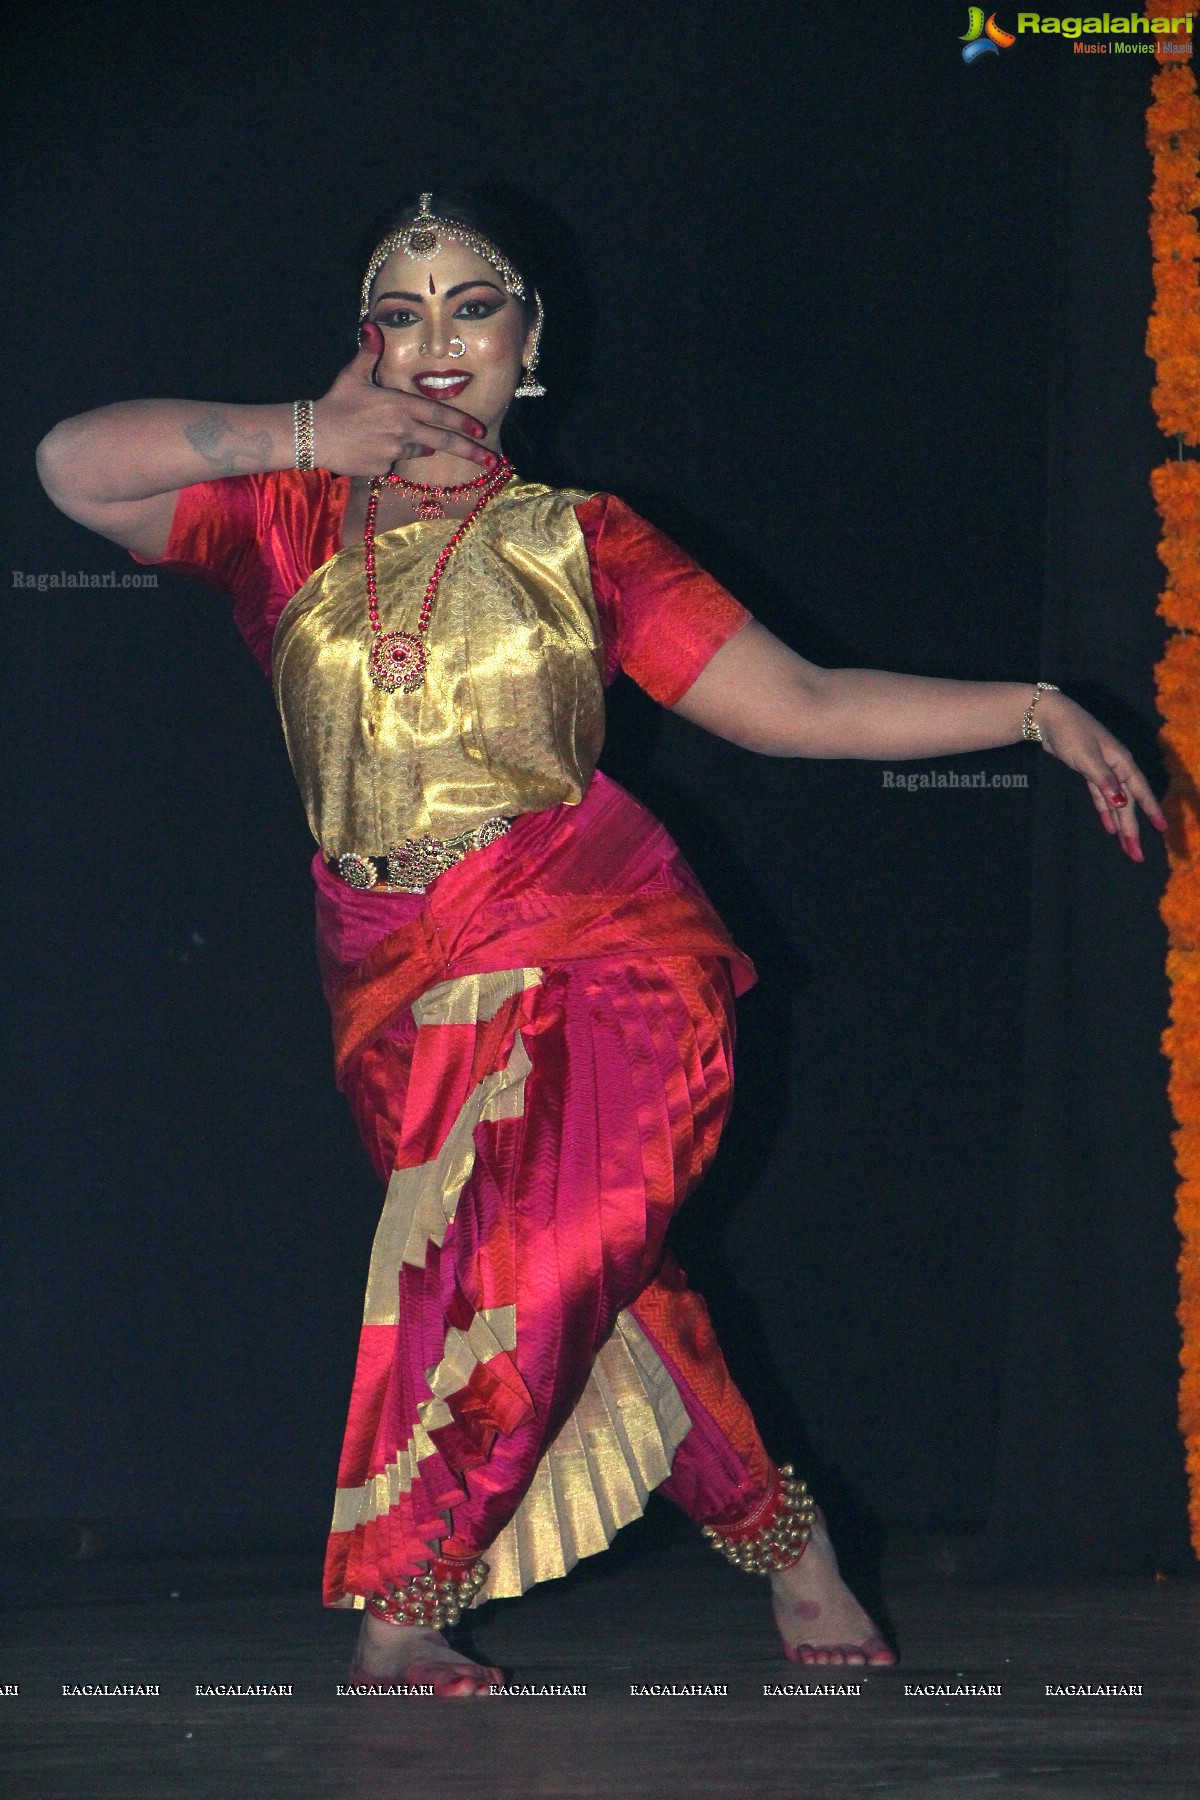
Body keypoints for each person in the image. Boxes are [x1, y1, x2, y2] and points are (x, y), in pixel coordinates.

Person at [37, 189, 1168, 1699]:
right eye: (405, 310)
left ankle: (405, 1599)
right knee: (610, 1298)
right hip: (394, 978)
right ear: (364, 339)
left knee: (537, 1258)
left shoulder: (588, 543)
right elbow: (70, 467)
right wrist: (304, 428)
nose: (440, 342)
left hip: (605, 945)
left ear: (530, 352)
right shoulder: (280, 521)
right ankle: (788, 1546)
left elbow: (808, 707)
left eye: (476, 309)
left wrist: (1031, 711)